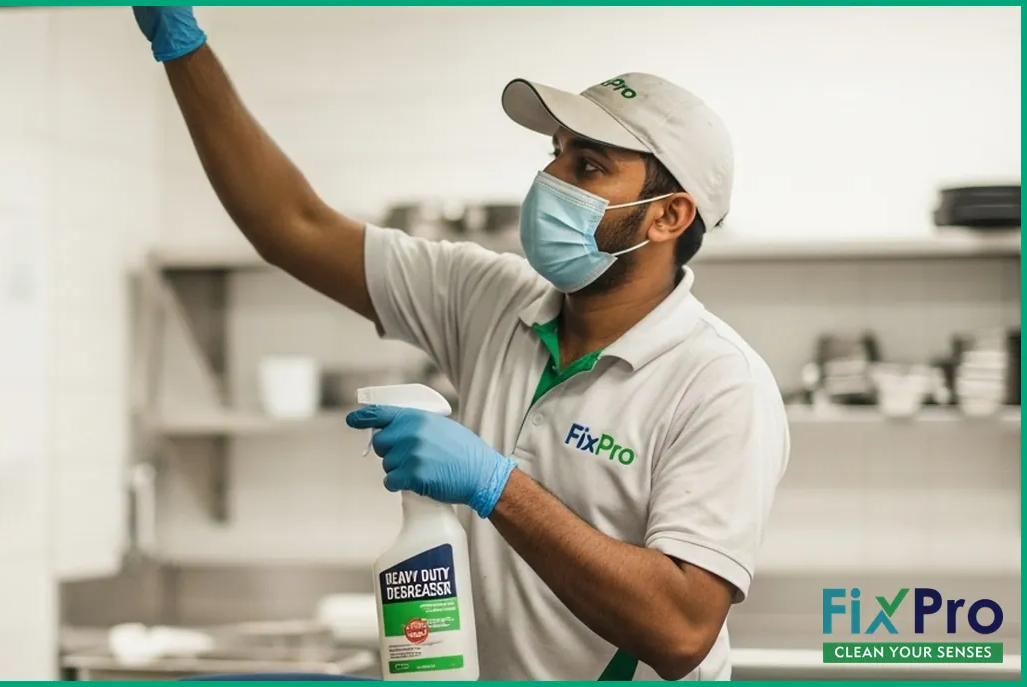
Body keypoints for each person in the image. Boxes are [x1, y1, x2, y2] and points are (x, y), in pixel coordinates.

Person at [134, 6, 789, 682]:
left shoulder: (717, 380)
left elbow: (681, 628)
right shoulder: (492, 299)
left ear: (669, 215)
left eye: (588, 166)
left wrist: (495, 483)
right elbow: (291, 226)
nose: (551, 180)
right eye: (555, 154)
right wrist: (183, 46)